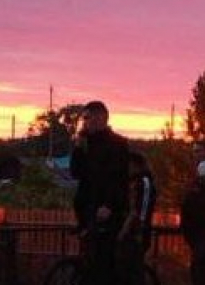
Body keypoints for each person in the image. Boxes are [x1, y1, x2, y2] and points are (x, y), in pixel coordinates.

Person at [69, 100, 131, 285]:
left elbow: (119, 179)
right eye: (84, 119)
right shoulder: (86, 143)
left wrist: (109, 205)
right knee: (89, 261)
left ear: (100, 118)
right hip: (87, 207)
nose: (85, 122)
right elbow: (75, 173)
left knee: (104, 262)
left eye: (88, 118)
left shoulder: (117, 144)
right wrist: (78, 149)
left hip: (107, 211)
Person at [117, 151, 157, 285]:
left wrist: (128, 230)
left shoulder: (144, 182)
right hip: (130, 231)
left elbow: (140, 210)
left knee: (133, 271)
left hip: (137, 233)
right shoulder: (133, 181)